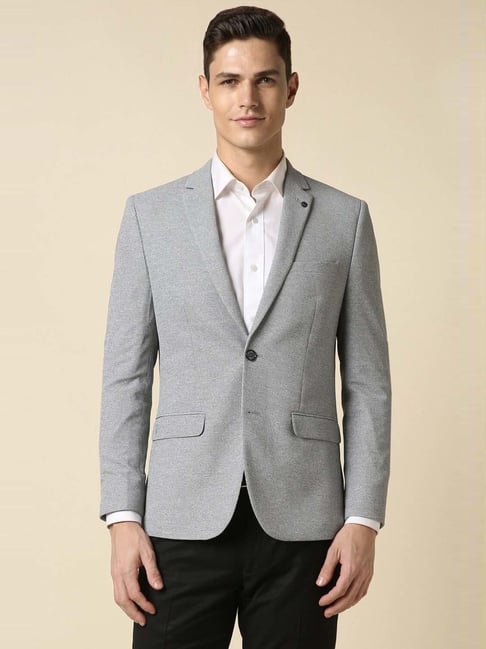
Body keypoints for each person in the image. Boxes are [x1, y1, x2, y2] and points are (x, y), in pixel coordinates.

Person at [98, 6, 392, 648]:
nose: (248, 98)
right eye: (230, 81)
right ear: (205, 90)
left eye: (265, 79)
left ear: (291, 87)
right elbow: (126, 376)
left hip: (305, 525)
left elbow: (368, 383)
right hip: (178, 519)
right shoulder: (150, 218)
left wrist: (363, 519)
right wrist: (122, 516)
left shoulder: (344, 220)